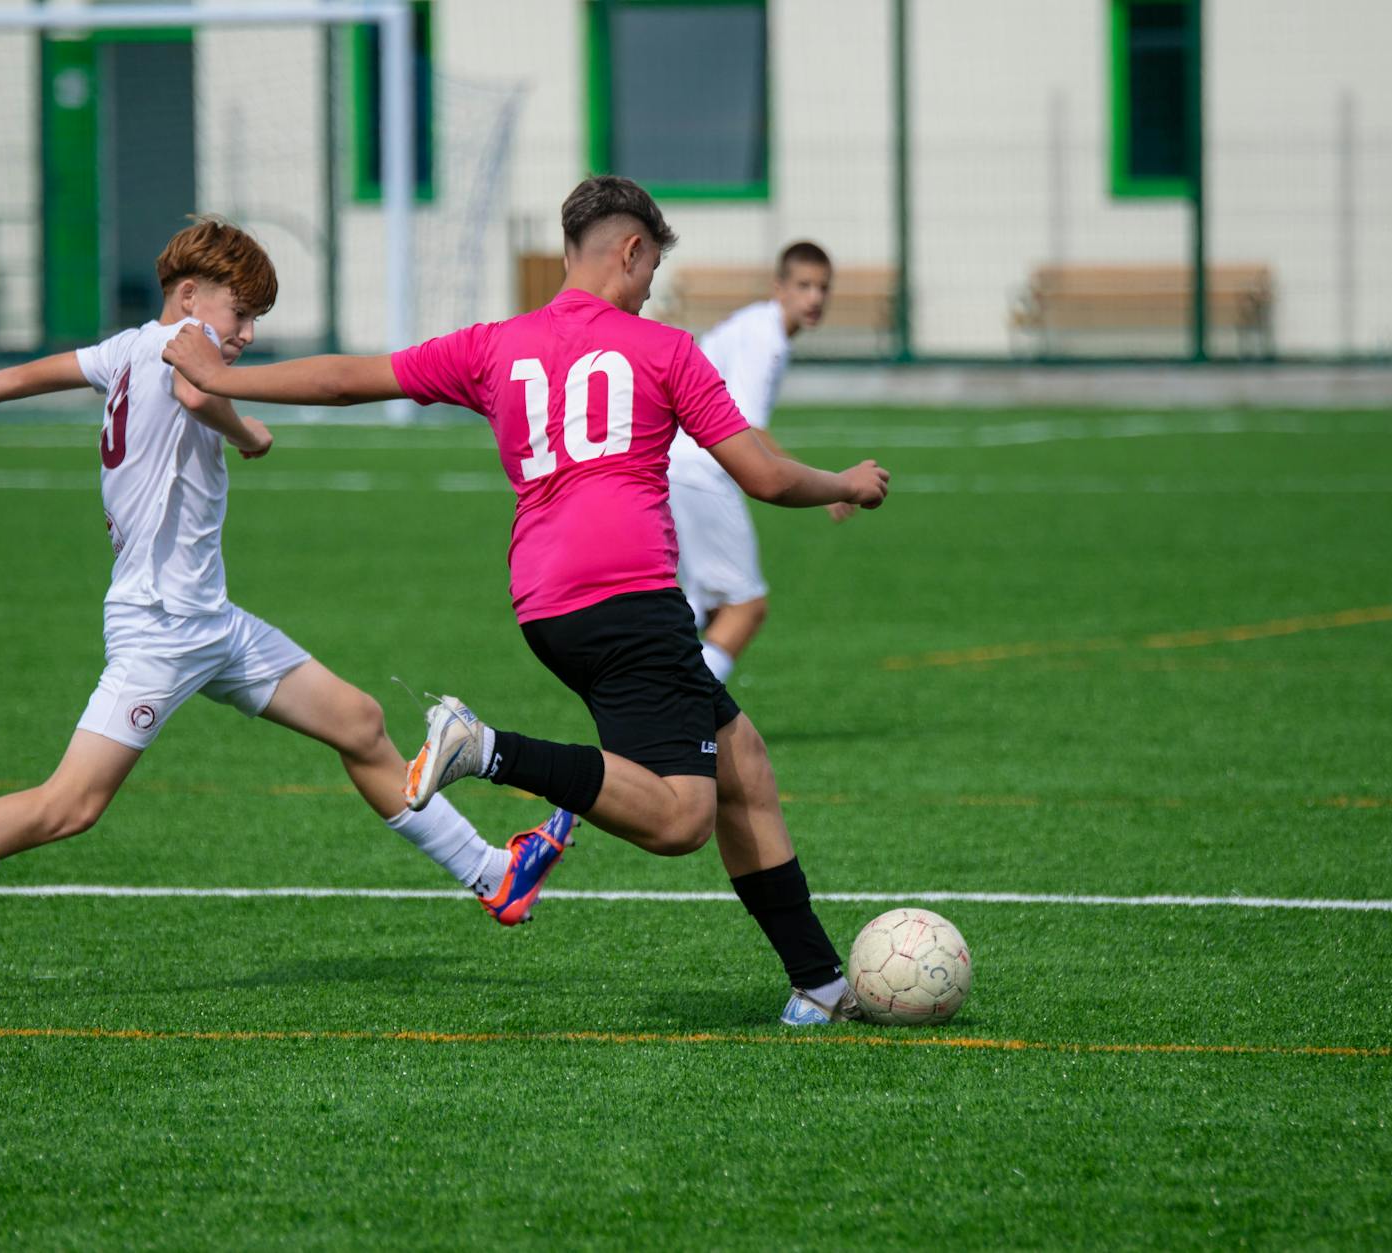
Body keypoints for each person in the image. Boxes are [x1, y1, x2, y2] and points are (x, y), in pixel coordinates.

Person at [161, 179, 890, 1025]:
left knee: (744, 765)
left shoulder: (496, 344)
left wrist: (222, 374)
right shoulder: (665, 350)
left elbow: (348, 380)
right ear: (629, 250)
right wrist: (847, 482)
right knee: (682, 817)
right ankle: (484, 748)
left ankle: (818, 983)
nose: (652, 283)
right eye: (652, 263)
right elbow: (760, 473)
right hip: (630, 594)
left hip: (546, 601)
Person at [0, 217, 568, 1009]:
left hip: (212, 623)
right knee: (69, 805)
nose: (244, 335)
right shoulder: (176, 352)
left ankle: (494, 874)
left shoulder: (124, 348)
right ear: (187, 296)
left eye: (253, 322)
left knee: (359, 721)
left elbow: (22, 376)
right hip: (162, 628)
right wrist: (248, 433)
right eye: (239, 315)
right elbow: (193, 387)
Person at [667, 241, 848, 683]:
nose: (815, 298)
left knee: (704, 605)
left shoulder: (758, 327)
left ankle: (650, 681)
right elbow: (746, 428)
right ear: (779, 287)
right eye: (803, 286)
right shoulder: (766, 338)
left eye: (823, 288)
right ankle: (689, 710)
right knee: (747, 607)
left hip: (679, 464)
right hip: (701, 471)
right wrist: (824, 487)